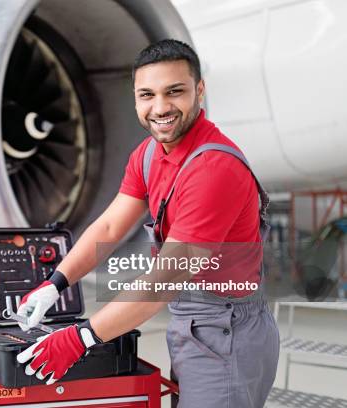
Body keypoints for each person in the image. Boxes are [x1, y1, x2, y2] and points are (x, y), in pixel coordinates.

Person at [15, 39, 280, 407]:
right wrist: (55, 283)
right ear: (135, 98)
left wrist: (82, 338)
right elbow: (109, 227)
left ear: (199, 91)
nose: (160, 108)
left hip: (228, 330)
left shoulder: (213, 170)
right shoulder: (150, 154)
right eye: (147, 94)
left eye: (175, 92)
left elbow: (164, 280)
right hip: (192, 322)